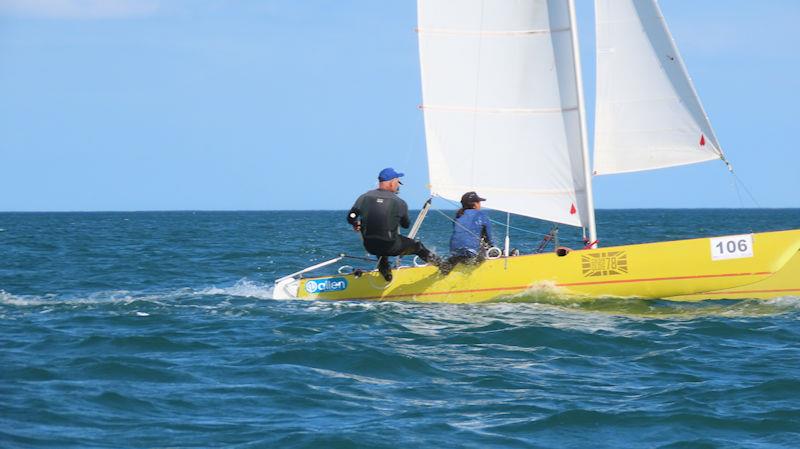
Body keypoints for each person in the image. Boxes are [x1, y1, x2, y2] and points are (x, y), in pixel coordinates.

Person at [346, 167, 440, 281]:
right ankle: (444, 266)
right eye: (397, 182)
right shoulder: (399, 202)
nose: (398, 186)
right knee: (417, 246)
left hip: (370, 247)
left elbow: (351, 216)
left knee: (379, 239)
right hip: (391, 246)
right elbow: (405, 225)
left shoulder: (364, 197)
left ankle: (386, 272)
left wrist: (356, 223)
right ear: (391, 182)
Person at [440, 191, 494, 275]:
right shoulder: (481, 215)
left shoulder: (458, 216)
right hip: (472, 257)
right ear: (475, 204)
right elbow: (488, 240)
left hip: (455, 254)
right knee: (486, 249)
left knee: (462, 251)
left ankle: (450, 264)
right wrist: (492, 251)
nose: (480, 204)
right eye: (479, 202)